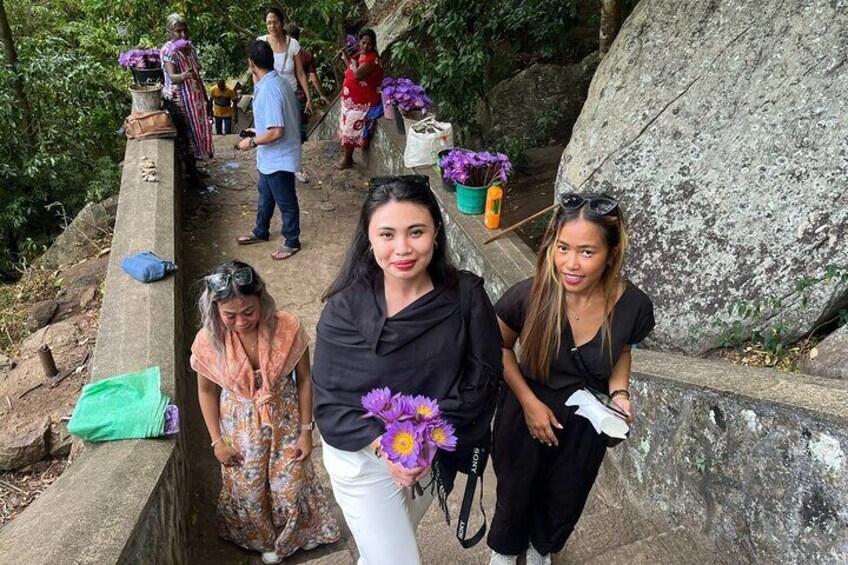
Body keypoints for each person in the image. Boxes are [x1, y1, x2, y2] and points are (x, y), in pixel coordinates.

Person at [311, 175, 503, 565]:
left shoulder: (466, 296)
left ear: (436, 232)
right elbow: (330, 404)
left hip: (429, 455)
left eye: (416, 232)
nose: (402, 249)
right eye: (387, 234)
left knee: (387, 548)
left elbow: (483, 381)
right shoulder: (344, 309)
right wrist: (390, 448)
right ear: (368, 238)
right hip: (362, 456)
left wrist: (425, 443)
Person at [486, 193, 655, 565]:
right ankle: (504, 550)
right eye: (563, 248)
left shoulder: (633, 306)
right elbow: (496, 348)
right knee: (515, 490)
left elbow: (622, 350)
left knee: (566, 494)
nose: (570, 264)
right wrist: (530, 405)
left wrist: (620, 393)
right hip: (524, 411)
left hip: (584, 423)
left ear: (611, 254)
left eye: (586, 252)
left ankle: (540, 550)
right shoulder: (530, 295)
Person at [190, 260, 340, 565]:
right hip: (238, 426)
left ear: (262, 300)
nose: (242, 322)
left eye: (249, 312)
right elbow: (206, 391)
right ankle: (261, 539)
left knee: (291, 482)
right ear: (215, 311)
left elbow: (306, 380)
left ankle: (300, 533)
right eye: (230, 315)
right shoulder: (208, 341)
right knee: (249, 487)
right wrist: (217, 441)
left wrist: (306, 431)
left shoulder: (287, 328)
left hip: (285, 418)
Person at [236, 40, 303, 261]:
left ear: (251, 63)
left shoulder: (270, 89)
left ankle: (292, 240)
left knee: (285, 200)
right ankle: (260, 230)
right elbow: (275, 122)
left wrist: (252, 142)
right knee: (265, 195)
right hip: (271, 157)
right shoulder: (278, 82)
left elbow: (277, 131)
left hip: (279, 157)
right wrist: (256, 129)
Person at [161, 13, 214, 169]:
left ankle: (195, 168)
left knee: (198, 133)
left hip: (195, 97)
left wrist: (205, 97)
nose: (183, 34)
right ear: (169, 32)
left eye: (184, 30)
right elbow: (172, 77)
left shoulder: (190, 48)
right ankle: (191, 172)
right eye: (178, 31)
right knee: (187, 136)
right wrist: (184, 75)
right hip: (180, 100)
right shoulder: (168, 51)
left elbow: (197, 75)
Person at [285, 23, 331, 184]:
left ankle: (289, 166)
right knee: (298, 133)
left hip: (286, 97)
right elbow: (313, 77)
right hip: (300, 98)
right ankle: (295, 167)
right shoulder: (305, 54)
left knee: (286, 131)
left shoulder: (281, 53)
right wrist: (320, 95)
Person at [258, 9, 314, 130]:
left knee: (293, 131)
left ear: (282, 23)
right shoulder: (261, 43)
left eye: (275, 22)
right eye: (269, 23)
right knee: (274, 132)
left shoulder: (293, 44)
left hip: (291, 95)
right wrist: (258, 95)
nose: (272, 26)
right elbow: (255, 72)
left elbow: (300, 73)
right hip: (270, 96)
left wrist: (309, 98)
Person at [337, 29, 383, 170]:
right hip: (352, 101)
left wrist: (352, 63)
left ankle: (347, 160)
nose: (365, 46)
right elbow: (352, 69)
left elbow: (356, 75)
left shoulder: (371, 59)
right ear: (359, 42)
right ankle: (348, 158)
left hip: (364, 102)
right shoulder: (360, 55)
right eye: (363, 42)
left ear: (373, 44)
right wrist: (347, 59)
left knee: (351, 127)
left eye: (369, 44)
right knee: (347, 126)